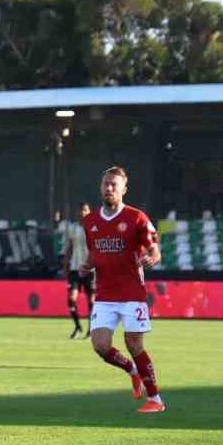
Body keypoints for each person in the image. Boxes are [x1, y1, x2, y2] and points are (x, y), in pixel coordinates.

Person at [82, 166, 166, 414]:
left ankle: (156, 400)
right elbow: (94, 251)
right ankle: (132, 371)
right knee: (99, 345)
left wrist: (154, 257)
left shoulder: (137, 218)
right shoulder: (90, 221)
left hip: (131, 293)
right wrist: (87, 265)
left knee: (134, 343)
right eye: (106, 184)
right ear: (101, 187)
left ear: (123, 189)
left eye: (114, 185)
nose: (109, 188)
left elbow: (154, 249)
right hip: (105, 294)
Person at [60, 201, 95, 339]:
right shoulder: (73, 229)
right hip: (75, 269)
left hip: (90, 270)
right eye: (81, 210)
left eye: (85, 210)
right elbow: (69, 248)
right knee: (71, 299)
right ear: (78, 213)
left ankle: (91, 329)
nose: (83, 213)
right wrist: (65, 266)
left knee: (91, 301)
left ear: (89, 211)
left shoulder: (94, 229)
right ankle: (78, 327)